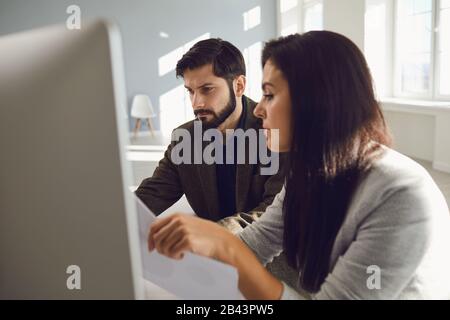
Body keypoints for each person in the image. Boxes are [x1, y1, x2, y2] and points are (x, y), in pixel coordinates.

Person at [147, 31, 450, 299]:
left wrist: (223, 246)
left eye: (270, 95)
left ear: (316, 101)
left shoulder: (401, 193)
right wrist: (204, 249)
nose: (261, 109)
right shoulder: (309, 171)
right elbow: (259, 241)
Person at [135, 38, 296, 285]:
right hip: (214, 270)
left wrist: (210, 235)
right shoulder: (185, 138)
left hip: (272, 269)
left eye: (207, 89)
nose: (196, 103)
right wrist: (110, 218)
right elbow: (153, 193)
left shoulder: (274, 130)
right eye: (190, 91)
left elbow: (273, 212)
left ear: (239, 85)